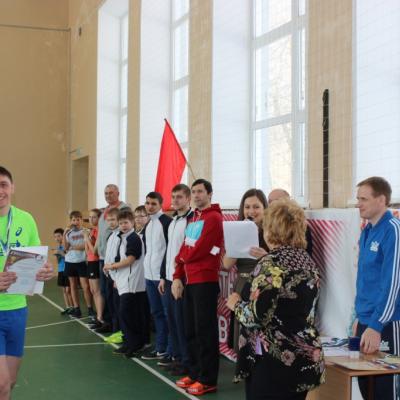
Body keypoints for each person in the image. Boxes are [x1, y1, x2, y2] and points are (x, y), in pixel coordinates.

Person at [227, 198, 325, 400]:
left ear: (270, 230)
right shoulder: (308, 262)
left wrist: (236, 304)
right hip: (305, 357)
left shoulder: (270, 264)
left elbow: (257, 317)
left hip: (275, 361)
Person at [0, 166, 53, 400]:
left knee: (10, 382)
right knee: (1, 383)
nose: (0, 191)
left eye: (3, 185)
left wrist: (45, 270)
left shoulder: (26, 219)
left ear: (12, 188)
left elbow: (37, 259)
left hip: (17, 310)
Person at [172, 178, 223, 396]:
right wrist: (177, 274)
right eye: (193, 192)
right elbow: (185, 246)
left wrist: (180, 259)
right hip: (189, 281)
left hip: (205, 281)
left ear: (209, 194)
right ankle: (194, 373)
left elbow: (201, 249)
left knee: (205, 332)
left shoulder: (214, 218)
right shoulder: (194, 218)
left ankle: (208, 379)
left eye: (200, 191)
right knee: (191, 329)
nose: (196, 195)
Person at [354, 177, 400, 400]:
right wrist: (359, 317)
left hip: (387, 324)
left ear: (381, 200)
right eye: (358, 198)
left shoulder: (393, 230)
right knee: (367, 387)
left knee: (386, 390)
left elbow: (393, 283)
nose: (358, 204)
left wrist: (377, 324)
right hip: (366, 321)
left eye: (364, 199)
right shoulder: (367, 230)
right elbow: (365, 280)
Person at [223, 189, 269, 361]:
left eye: (256, 207)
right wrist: (238, 238)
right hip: (242, 286)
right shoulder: (238, 229)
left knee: (260, 339)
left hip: (263, 288)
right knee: (242, 340)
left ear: (265, 208)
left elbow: (281, 263)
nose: (251, 211)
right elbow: (226, 264)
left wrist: (266, 256)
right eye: (247, 207)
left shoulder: (272, 232)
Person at [159, 184, 193, 375]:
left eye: (179, 197)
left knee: (182, 321)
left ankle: (186, 361)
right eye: (173, 197)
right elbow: (169, 251)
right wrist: (163, 277)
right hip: (169, 278)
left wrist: (179, 277)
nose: (175, 200)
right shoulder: (173, 222)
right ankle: (177, 358)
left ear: (188, 199)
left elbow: (188, 252)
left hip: (182, 279)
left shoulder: (191, 221)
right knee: (172, 320)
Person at [104, 209, 147, 358]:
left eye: (126, 223)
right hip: (123, 281)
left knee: (128, 314)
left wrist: (111, 266)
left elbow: (130, 260)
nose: (123, 225)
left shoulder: (134, 238)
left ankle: (135, 344)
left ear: (132, 222)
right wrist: (116, 278)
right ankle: (128, 342)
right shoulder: (121, 237)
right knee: (124, 314)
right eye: (121, 223)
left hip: (132, 283)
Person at [141, 192, 172, 361]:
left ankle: (170, 350)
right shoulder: (148, 224)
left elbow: (170, 251)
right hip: (149, 276)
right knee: (157, 313)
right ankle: (160, 347)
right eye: (147, 203)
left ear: (161, 204)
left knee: (167, 314)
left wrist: (163, 275)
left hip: (162, 278)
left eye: (153, 203)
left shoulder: (166, 222)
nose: (150, 206)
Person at [95, 184, 128, 333]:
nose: (108, 195)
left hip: (115, 260)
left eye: (111, 193)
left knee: (113, 294)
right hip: (103, 257)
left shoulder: (124, 209)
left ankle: (116, 326)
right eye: (106, 193)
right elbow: (100, 232)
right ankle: (107, 321)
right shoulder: (104, 211)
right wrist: (96, 250)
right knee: (105, 292)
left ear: (118, 193)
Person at [63, 210, 93, 319]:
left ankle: (90, 308)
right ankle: (77, 309)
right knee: (73, 286)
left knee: (86, 286)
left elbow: (85, 246)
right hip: (70, 262)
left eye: (78, 219)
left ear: (81, 220)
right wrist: (64, 233)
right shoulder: (68, 233)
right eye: (73, 220)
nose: (76, 222)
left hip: (82, 262)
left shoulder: (86, 231)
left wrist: (74, 247)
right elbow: (65, 248)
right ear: (71, 221)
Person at [268, 189, 313, 256]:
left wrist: (267, 256)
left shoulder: (299, 226)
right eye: (269, 202)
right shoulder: (268, 223)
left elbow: (304, 254)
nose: (271, 205)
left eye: (275, 202)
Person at [84, 208, 104, 328]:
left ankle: (100, 318)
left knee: (97, 291)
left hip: (96, 262)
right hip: (90, 262)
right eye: (90, 217)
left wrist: (86, 238)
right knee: (92, 290)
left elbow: (95, 252)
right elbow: (88, 251)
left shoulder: (99, 231)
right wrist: (86, 238)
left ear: (99, 218)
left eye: (94, 217)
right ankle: (98, 316)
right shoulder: (92, 231)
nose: (91, 219)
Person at [53, 228, 73, 315]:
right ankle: (68, 307)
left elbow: (68, 256)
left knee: (69, 290)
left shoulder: (66, 245)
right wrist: (57, 255)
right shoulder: (58, 247)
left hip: (67, 269)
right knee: (64, 290)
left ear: (63, 236)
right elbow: (58, 262)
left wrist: (60, 253)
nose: (57, 238)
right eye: (55, 237)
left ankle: (73, 307)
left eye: (59, 236)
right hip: (60, 270)